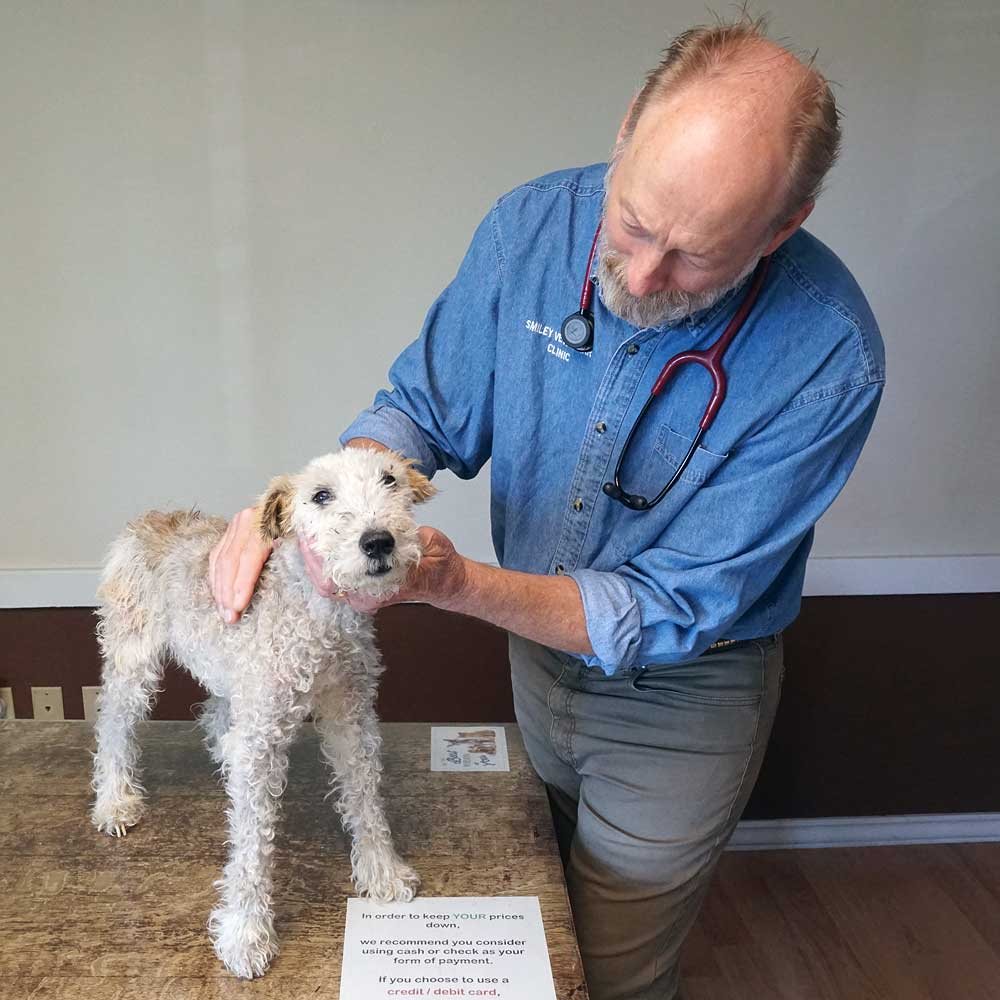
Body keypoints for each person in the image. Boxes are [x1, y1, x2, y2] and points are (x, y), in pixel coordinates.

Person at [209, 16, 885, 1000]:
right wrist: (331, 488)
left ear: (785, 225)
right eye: (635, 224)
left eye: (698, 257)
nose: (646, 277)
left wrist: (453, 581)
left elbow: (668, 605)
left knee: (606, 974)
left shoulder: (828, 354)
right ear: (625, 132)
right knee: (533, 909)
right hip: (533, 663)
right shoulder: (527, 228)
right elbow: (422, 409)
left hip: (682, 702)